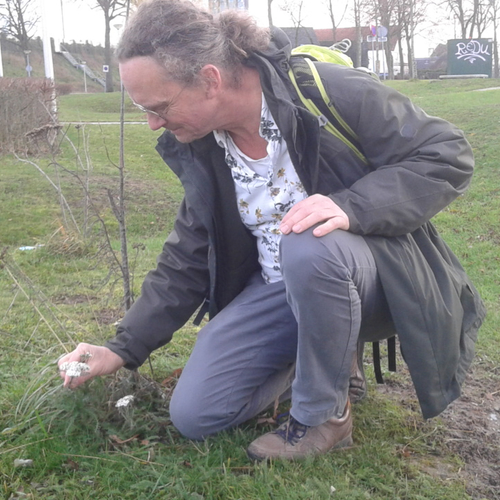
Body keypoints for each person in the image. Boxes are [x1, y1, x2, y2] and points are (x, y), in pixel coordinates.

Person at [58, 0, 486, 461]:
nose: (152, 124)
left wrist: (350, 207)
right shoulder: (207, 145)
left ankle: (324, 413)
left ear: (210, 80)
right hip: (280, 287)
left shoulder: (328, 92)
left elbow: (447, 154)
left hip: (373, 280)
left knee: (306, 238)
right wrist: (122, 348)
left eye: (160, 107)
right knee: (196, 414)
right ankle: (323, 361)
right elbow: (187, 256)